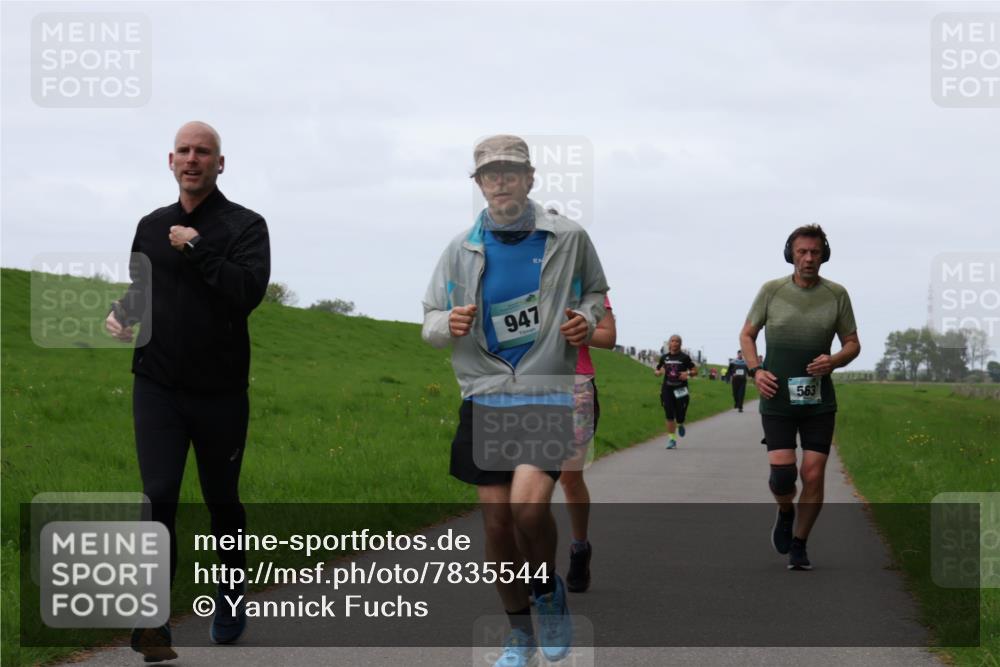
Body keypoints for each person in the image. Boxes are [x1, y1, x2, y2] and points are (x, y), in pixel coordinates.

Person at [422, 135, 608, 667]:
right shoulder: (460, 248)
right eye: (490, 175)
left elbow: (595, 292)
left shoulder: (568, 237)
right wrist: (446, 323)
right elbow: (431, 318)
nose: (500, 182)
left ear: (530, 178)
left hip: (546, 390)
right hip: (484, 395)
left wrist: (585, 319)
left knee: (529, 508)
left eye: (510, 172)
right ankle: (519, 634)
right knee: (498, 523)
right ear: (478, 185)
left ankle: (547, 592)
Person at [106, 121, 270, 660]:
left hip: (220, 391)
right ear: (170, 160)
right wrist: (124, 312)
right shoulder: (151, 225)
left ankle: (229, 593)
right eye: (184, 150)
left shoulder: (246, 226)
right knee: (157, 495)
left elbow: (245, 294)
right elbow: (144, 283)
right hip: (156, 384)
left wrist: (198, 248)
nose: (192, 159)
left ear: (220, 164)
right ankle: (152, 620)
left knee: (222, 500)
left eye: (204, 152)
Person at [739, 224, 859, 571]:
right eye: (802, 252)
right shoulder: (771, 291)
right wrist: (756, 370)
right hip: (777, 395)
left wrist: (834, 359)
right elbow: (747, 334)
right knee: (783, 476)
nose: (808, 258)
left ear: (824, 255)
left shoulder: (837, 294)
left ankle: (799, 543)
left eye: (815, 252)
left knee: (813, 472)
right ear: (790, 253)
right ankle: (786, 511)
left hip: (818, 399)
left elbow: (853, 343)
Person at [561, 298, 616, 594]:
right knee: (529, 478)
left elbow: (608, 337)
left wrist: (580, 330)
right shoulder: (512, 264)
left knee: (569, 478)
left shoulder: (584, 279)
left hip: (575, 384)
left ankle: (579, 548)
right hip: (525, 384)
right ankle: (533, 568)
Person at [654, 335, 697, 449]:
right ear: (669, 344)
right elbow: (657, 369)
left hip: (681, 389)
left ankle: (681, 423)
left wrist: (687, 374)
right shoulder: (664, 357)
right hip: (667, 388)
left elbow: (694, 370)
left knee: (680, 414)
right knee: (669, 414)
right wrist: (657, 373)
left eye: (677, 341)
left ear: (680, 344)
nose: (674, 343)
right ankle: (672, 440)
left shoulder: (685, 357)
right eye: (672, 341)